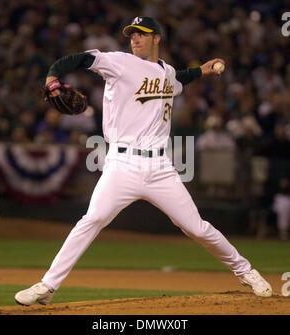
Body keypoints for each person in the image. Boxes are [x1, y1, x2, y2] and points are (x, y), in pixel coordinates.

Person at [15, 16, 272, 306]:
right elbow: (77, 59)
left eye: (142, 34)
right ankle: (47, 286)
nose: (135, 39)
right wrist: (52, 75)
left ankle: (246, 271)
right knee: (92, 219)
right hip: (122, 165)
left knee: (196, 227)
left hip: (160, 168)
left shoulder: (167, 73)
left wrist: (203, 69)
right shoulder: (119, 62)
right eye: (132, 34)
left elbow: (179, 78)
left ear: (157, 39)